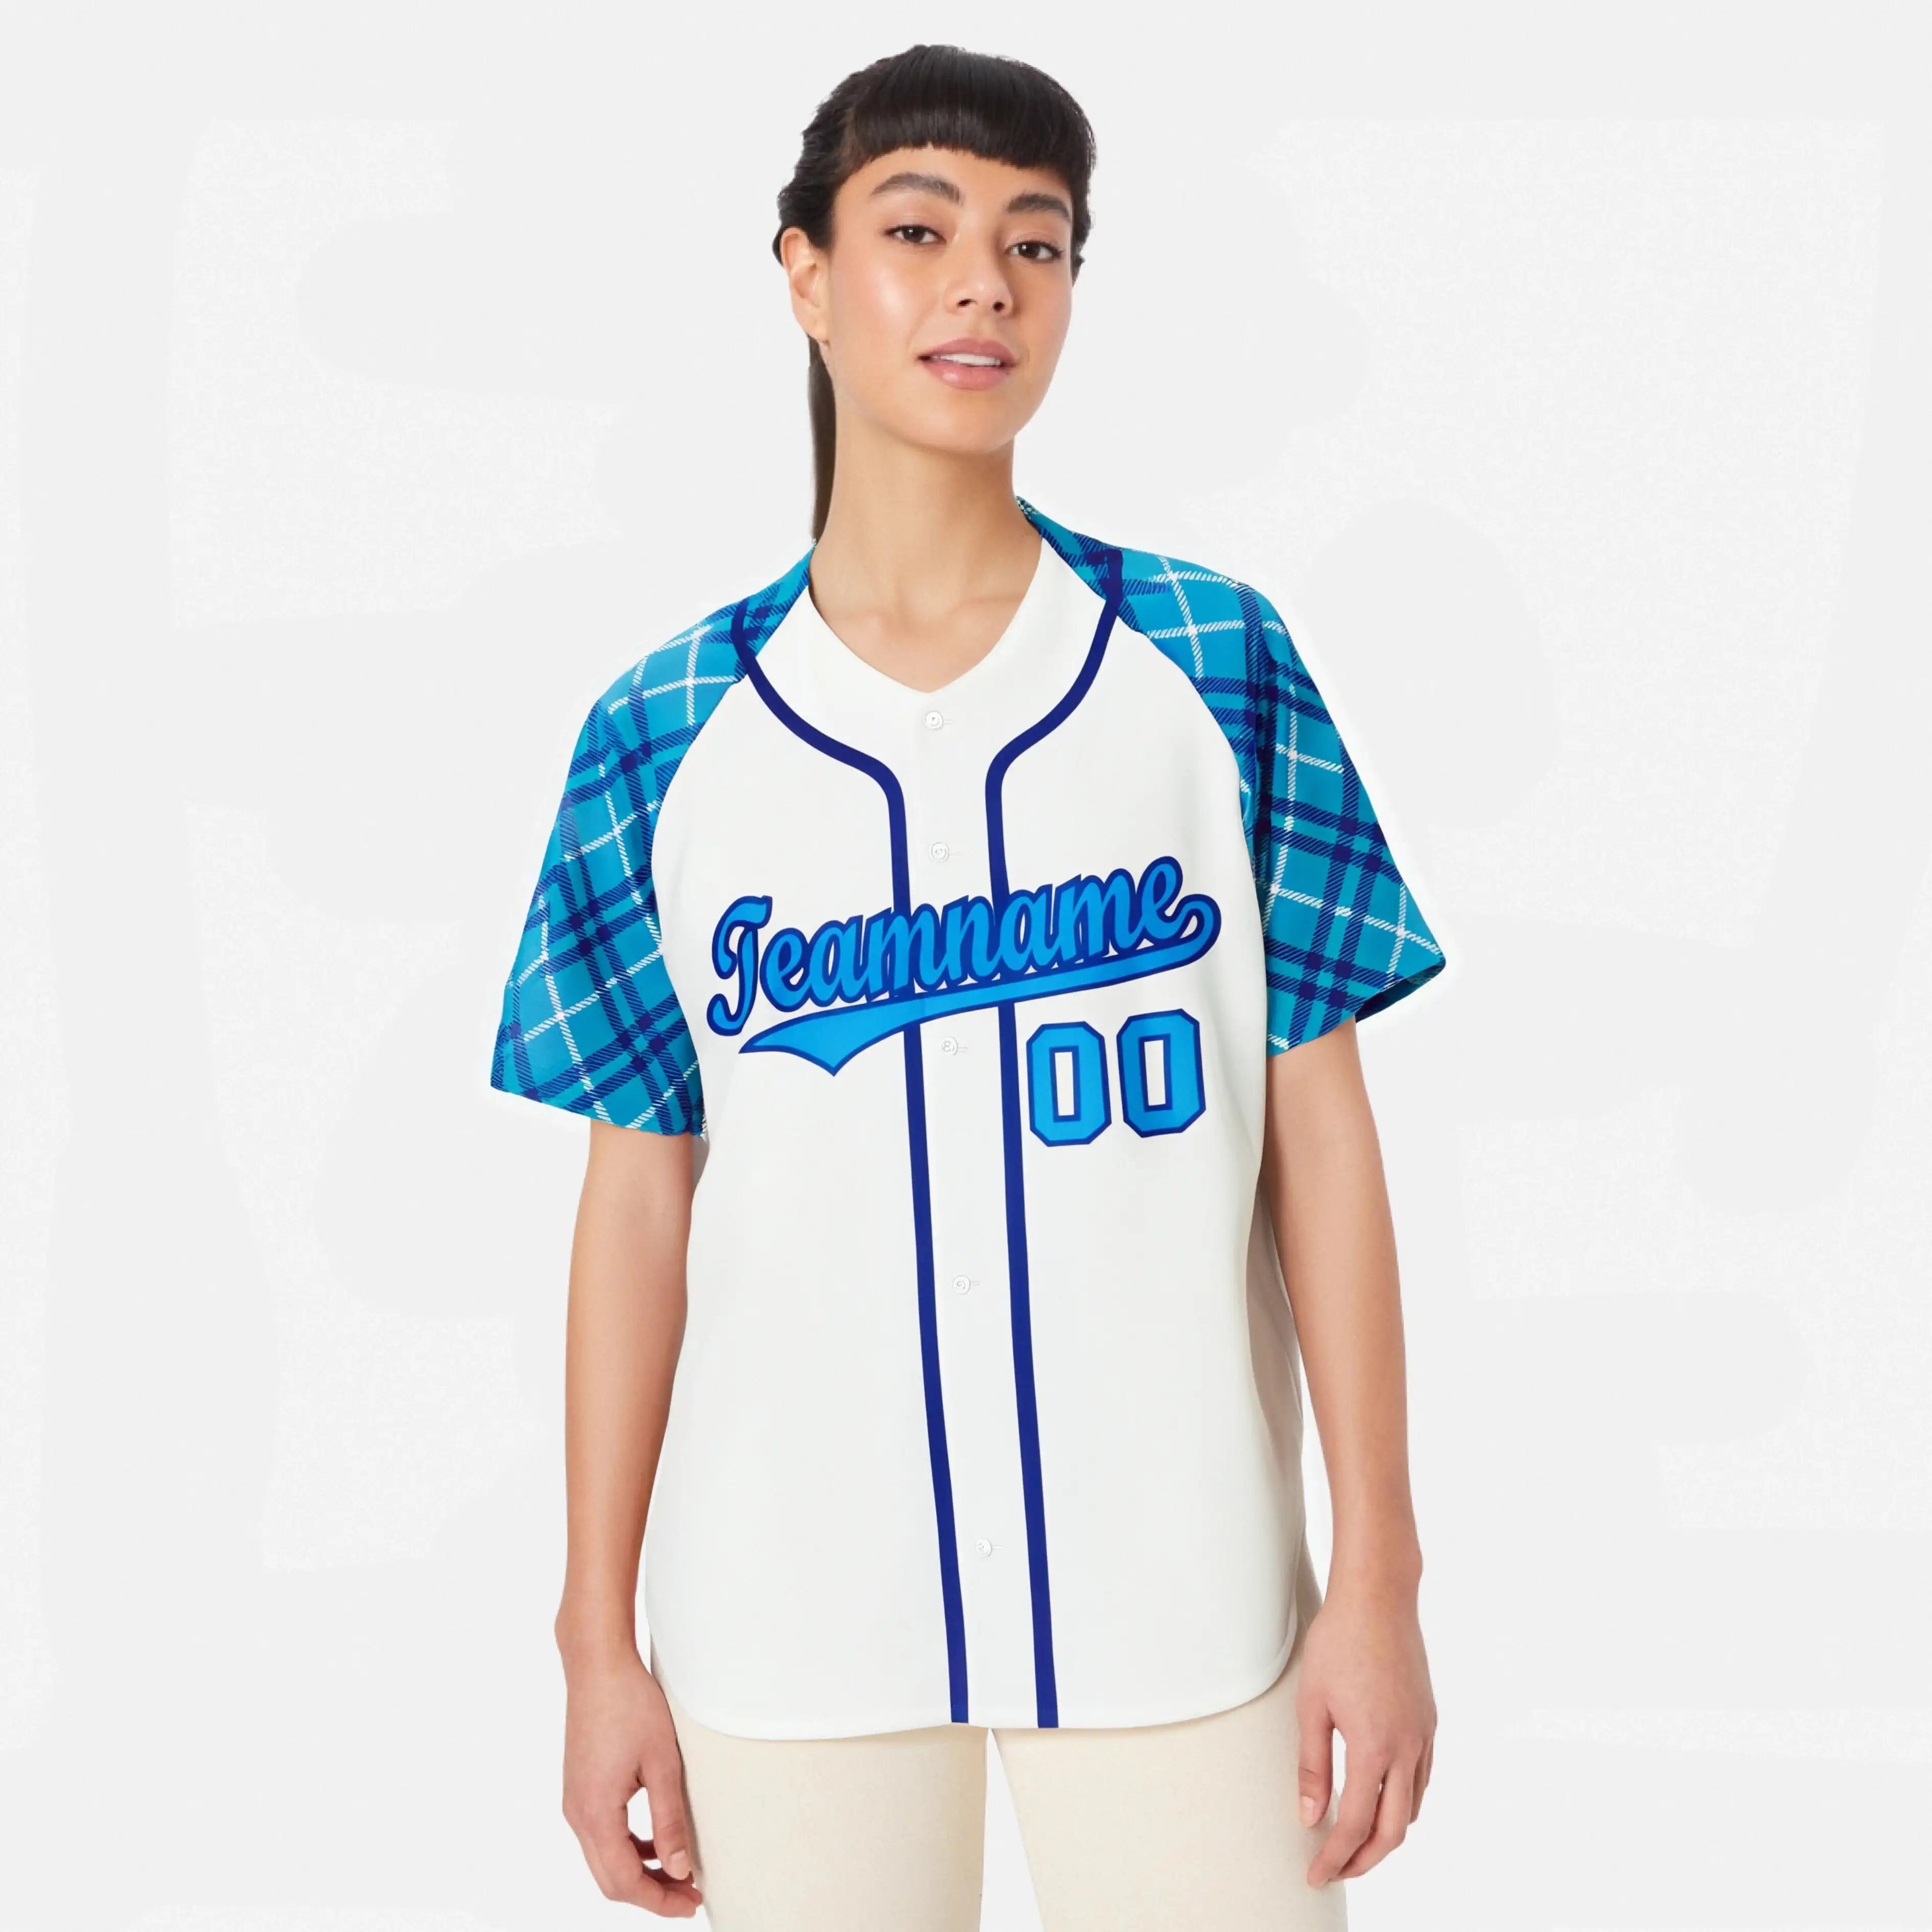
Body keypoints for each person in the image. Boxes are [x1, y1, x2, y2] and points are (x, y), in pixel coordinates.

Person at [490, 42, 1447, 1931]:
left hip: (1182, 1583)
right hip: (786, 1604)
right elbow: (635, 1202)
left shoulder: (1212, 661)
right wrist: (596, 1641)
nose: (985, 284)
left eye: (1037, 241)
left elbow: (1324, 1143)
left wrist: (1381, 1579)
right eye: (917, 232)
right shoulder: (663, 730)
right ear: (806, 275)